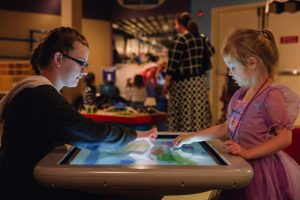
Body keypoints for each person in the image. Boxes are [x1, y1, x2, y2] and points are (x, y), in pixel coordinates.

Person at [0, 27, 157, 200]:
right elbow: (89, 133)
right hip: (27, 191)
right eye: (81, 63)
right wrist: (135, 136)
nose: (85, 72)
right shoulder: (39, 94)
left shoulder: (34, 91)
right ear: (58, 59)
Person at [172, 28, 300, 200]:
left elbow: (285, 138)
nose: (230, 73)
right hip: (239, 166)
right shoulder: (241, 94)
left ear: (252, 63)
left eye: (233, 67)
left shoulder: (271, 95)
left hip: (260, 173)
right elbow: (226, 127)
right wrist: (192, 136)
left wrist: (248, 152)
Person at [164, 12, 215, 132]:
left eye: (176, 24)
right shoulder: (201, 37)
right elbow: (212, 51)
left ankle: (182, 140)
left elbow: (172, 65)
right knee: (198, 112)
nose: (175, 27)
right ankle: (199, 139)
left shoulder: (180, 39)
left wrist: (166, 84)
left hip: (183, 84)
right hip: (199, 82)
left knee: (183, 114)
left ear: (181, 24)